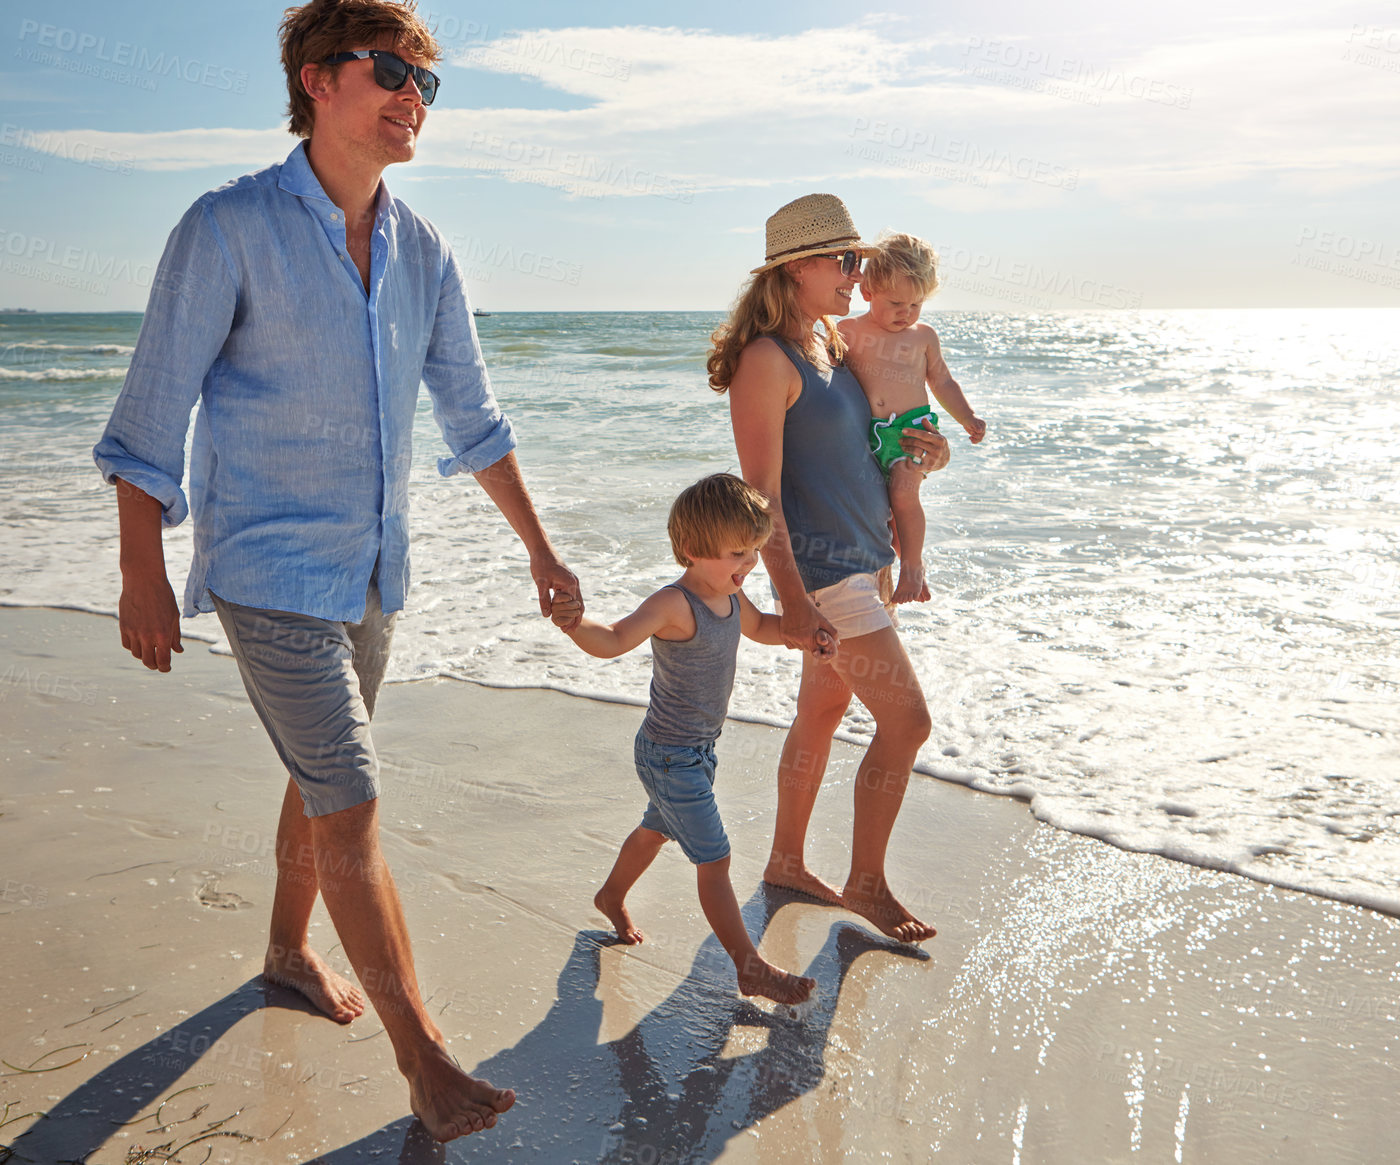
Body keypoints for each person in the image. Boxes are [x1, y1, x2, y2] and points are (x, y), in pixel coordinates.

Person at [90, 0, 576, 1143]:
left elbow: (474, 416)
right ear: (317, 79)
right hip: (266, 568)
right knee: (351, 803)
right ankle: (427, 1061)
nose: (413, 95)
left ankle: (283, 949)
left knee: (320, 778)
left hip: (370, 570)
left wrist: (543, 549)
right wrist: (140, 573)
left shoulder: (424, 250)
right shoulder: (226, 227)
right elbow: (148, 417)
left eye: (426, 80)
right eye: (390, 71)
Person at [707, 193, 950, 945]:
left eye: (857, 261)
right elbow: (763, 496)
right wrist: (793, 600)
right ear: (798, 267)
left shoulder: (832, 348)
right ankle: (866, 882)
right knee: (907, 722)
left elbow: (869, 453)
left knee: (821, 712)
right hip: (826, 574)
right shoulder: (765, 360)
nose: (858, 273)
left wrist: (925, 458)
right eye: (844, 261)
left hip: (865, 559)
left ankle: (785, 860)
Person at [549, 474, 816, 1005]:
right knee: (714, 860)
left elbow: (762, 628)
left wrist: (804, 631)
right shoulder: (675, 604)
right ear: (693, 551)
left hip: (698, 752)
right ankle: (749, 967)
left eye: (756, 550)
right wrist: (575, 623)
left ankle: (611, 895)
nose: (750, 564)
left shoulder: (732, 597)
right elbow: (613, 640)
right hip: (669, 756)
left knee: (654, 832)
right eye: (738, 552)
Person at [838, 232, 986, 605]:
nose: (906, 313)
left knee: (904, 491)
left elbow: (942, 381)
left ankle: (914, 568)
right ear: (868, 290)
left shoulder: (923, 337)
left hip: (910, 433)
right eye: (896, 303)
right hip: (868, 439)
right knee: (887, 514)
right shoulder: (849, 332)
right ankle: (906, 569)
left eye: (916, 304)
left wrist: (967, 417)